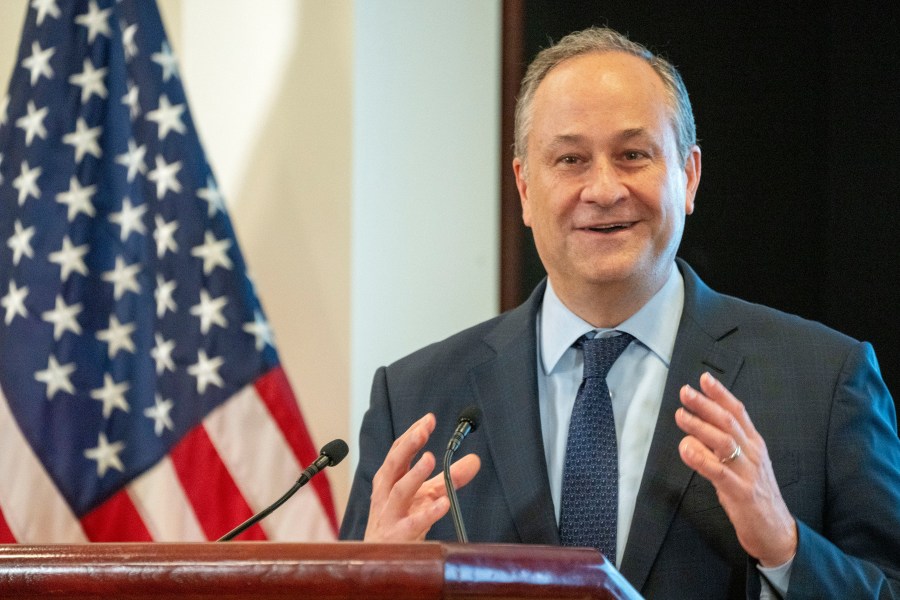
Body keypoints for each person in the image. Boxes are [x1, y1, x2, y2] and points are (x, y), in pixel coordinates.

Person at [339, 27, 900, 599]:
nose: (604, 189)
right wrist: (368, 583)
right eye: (570, 159)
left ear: (689, 176)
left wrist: (785, 549)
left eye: (633, 155)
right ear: (525, 188)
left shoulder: (824, 382)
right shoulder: (414, 400)